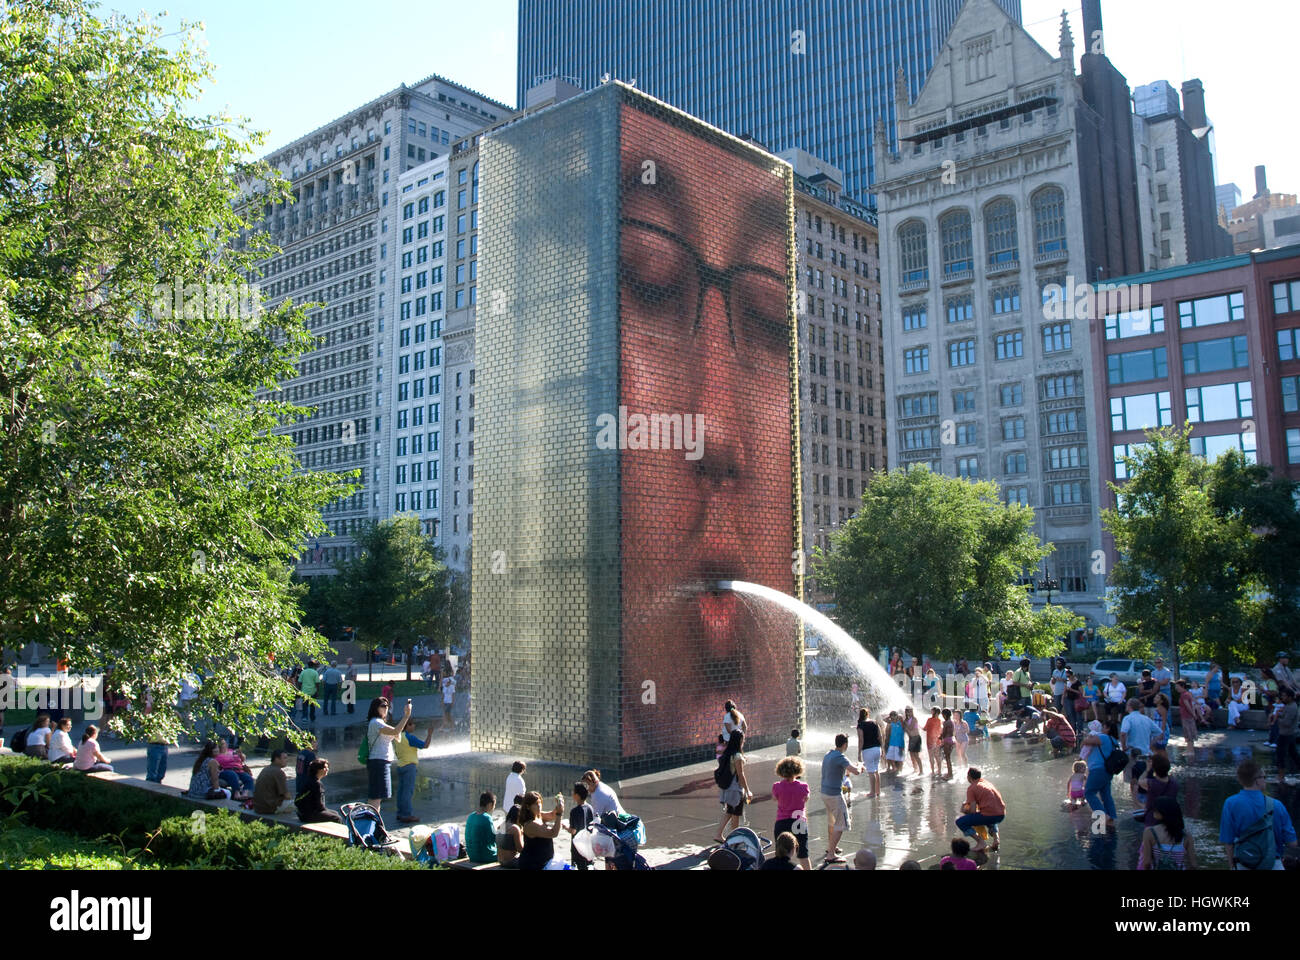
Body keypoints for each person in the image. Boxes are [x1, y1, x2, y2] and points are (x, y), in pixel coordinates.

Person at [1220, 759, 1296, 870]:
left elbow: (1228, 841)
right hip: (1273, 864)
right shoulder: (1277, 805)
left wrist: (1232, 866)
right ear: (1257, 780)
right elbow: (1292, 843)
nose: (1265, 781)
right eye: (1264, 777)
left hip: (1244, 864)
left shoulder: (1230, 804)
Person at [820, 733, 863, 865]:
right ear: (844, 745)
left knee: (832, 821)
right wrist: (861, 766)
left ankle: (831, 847)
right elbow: (855, 771)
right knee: (843, 822)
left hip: (824, 792)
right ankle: (831, 854)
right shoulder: (840, 757)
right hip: (834, 795)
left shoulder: (828, 754)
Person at [365, 696, 411, 811]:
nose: (386, 708)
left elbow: (397, 735)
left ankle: (373, 823)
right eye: (383, 706)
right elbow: (396, 732)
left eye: (387, 706)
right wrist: (406, 715)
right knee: (375, 797)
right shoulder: (376, 722)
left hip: (381, 762)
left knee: (377, 797)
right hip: (378, 762)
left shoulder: (379, 723)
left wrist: (396, 731)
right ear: (375, 708)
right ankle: (370, 824)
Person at [393, 715, 436, 823]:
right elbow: (425, 745)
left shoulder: (397, 736)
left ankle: (400, 813)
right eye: (412, 724)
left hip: (400, 765)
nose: (414, 726)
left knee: (401, 791)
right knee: (408, 792)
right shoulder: (409, 737)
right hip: (409, 766)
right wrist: (430, 734)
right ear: (407, 726)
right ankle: (407, 815)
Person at [772, 756, 812, 870]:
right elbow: (806, 798)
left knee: (780, 852)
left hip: (782, 822)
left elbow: (774, 798)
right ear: (798, 770)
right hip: (799, 822)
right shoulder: (803, 786)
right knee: (803, 853)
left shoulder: (777, 786)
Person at [1120, 698, 1162, 801]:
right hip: (1146, 753)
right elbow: (1160, 733)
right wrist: (1149, 744)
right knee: (1145, 778)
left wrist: (1124, 746)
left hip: (1132, 753)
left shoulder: (1128, 718)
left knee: (1133, 779)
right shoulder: (1146, 719)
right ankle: (1146, 801)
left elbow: (1123, 733)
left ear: (1129, 707)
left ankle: (1135, 802)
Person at [1138, 796, 1197, 870]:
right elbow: (1193, 865)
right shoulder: (1186, 836)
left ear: (1163, 812)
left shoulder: (1150, 832)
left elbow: (1146, 862)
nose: (1153, 810)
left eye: (1155, 809)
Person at [714, 729, 752, 842]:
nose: (744, 741)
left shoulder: (728, 752)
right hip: (735, 789)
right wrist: (748, 790)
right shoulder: (737, 756)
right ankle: (733, 839)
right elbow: (741, 775)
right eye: (743, 739)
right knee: (735, 813)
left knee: (730, 812)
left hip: (727, 788)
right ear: (740, 740)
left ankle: (719, 834)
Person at [955, 767, 1005, 853]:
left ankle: (981, 842)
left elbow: (973, 811)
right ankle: (996, 840)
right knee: (988, 815)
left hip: (990, 815)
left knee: (960, 822)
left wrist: (964, 810)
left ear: (969, 777)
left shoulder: (972, 788)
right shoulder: (987, 783)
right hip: (1001, 814)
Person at [1081, 722, 1120, 829]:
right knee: (1106, 794)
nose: (1101, 728)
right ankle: (1111, 817)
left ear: (1108, 728)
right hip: (1108, 771)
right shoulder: (1114, 740)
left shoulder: (1103, 737)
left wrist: (1087, 738)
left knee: (1089, 792)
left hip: (1098, 770)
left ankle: (1102, 816)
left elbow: (1086, 742)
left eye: (1103, 726)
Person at [517, 791, 564, 870]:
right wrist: (559, 814)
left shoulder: (539, 816)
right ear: (528, 807)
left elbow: (553, 815)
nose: (539, 806)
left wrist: (560, 802)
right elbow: (553, 833)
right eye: (535, 804)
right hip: (532, 865)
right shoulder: (530, 824)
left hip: (543, 863)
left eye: (540, 803)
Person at [294, 758, 342, 823]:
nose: (327, 769)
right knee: (336, 818)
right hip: (308, 815)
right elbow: (319, 805)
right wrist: (326, 811)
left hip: (302, 813)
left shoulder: (310, 779)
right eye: (325, 768)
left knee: (335, 813)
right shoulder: (316, 783)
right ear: (318, 769)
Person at [1136, 753, 1178, 827]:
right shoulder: (1174, 783)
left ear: (1154, 769)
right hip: (1170, 819)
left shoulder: (1151, 783)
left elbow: (1140, 781)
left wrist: (1147, 770)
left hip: (1152, 819)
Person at [251, 749, 292, 814]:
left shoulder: (265, 769)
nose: (286, 760)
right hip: (269, 808)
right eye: (284, 758)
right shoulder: (279, 772)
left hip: (257, 807)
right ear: (276, 759)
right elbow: (286, 795)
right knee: (295, 804)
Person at [566, 782, 596, 869]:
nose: (572, 794)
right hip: (589, 846)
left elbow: (573, 831)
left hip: (577, 848)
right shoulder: (590, 808)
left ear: (577, 795)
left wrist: (565, 827)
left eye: (574, 792)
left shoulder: (574, 811)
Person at [1273, 688, 1299, 785]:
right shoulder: (1289, 706)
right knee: (1294, 754)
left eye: (1284, 696)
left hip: (1286, 734)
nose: (1282, 698)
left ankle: (1281, 776)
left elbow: (1287, 723)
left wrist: (1276, 718)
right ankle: (1281, 776)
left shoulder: (1291, 707)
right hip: (1289, 733)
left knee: (1280, 755)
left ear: (1290, 697)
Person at [466, 791, 498, 864]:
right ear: (490, 805)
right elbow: (493, 840)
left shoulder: (470, 816)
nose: (494, 808)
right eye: (494, 805)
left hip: (472, 855)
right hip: (485, 857)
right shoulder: (487, 818)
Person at [856, 709, 882, 798]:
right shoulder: (874, 723)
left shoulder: (860, 725)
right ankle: (878, 791)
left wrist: (859, 753)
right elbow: (880, 736)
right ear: (867, 714)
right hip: (877, 749)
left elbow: (861, 740)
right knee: (876, 770)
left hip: (868, 750)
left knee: (871, 772)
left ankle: (872, 792)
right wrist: (882, 749)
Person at [497, 800, 525, 869]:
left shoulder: (500, 826)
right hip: (510, 862)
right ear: (518, 816)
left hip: (500, 861)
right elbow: (520, 849)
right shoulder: (515, 828)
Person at [1176, 681, 1199, 747]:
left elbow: (1188, 706)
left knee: (1188, 733)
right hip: (1187, 716)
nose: (1176, 688)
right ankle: (1191, 749)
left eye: (1177, 687)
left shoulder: (1184, 695)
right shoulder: (1187, 693)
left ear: (1182, 686)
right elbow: (1193, 702)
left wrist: (1193, 714)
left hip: (1186, 716)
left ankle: (1190, 750)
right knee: (1190, 732)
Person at [923, 707, 943, 777]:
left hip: (930, 740)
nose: (931, 712)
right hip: (937, 740)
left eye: (932, 711)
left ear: (935, 712)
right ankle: (940, 771)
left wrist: (920, 727)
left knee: (931, 756)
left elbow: (925, 728)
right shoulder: (939, 720)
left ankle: (933, 772)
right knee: (937, 756)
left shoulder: (929, 720)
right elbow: (940, 731)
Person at [902, 706, 922, 775]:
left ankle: (921, 770)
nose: (910, 713)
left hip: (916, 738)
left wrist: (905, 725)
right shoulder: (906, 721)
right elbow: (905, 729)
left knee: (916, 755)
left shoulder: (914, 719)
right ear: (906, 712)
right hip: (911, 738)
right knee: (911, 755)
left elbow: (910, 728)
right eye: (908, 711)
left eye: (911, 711)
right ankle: (915, 768)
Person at [938, 708, 955, 779]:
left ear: (945, 715)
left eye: (942, 715)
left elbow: (944, 733)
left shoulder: (945, 723)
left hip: (947, 741)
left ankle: (950, 774)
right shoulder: (951, 722)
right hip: (951, 740)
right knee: (947, 758)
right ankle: (949, 773)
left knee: (947, 758)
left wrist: (940, 737)